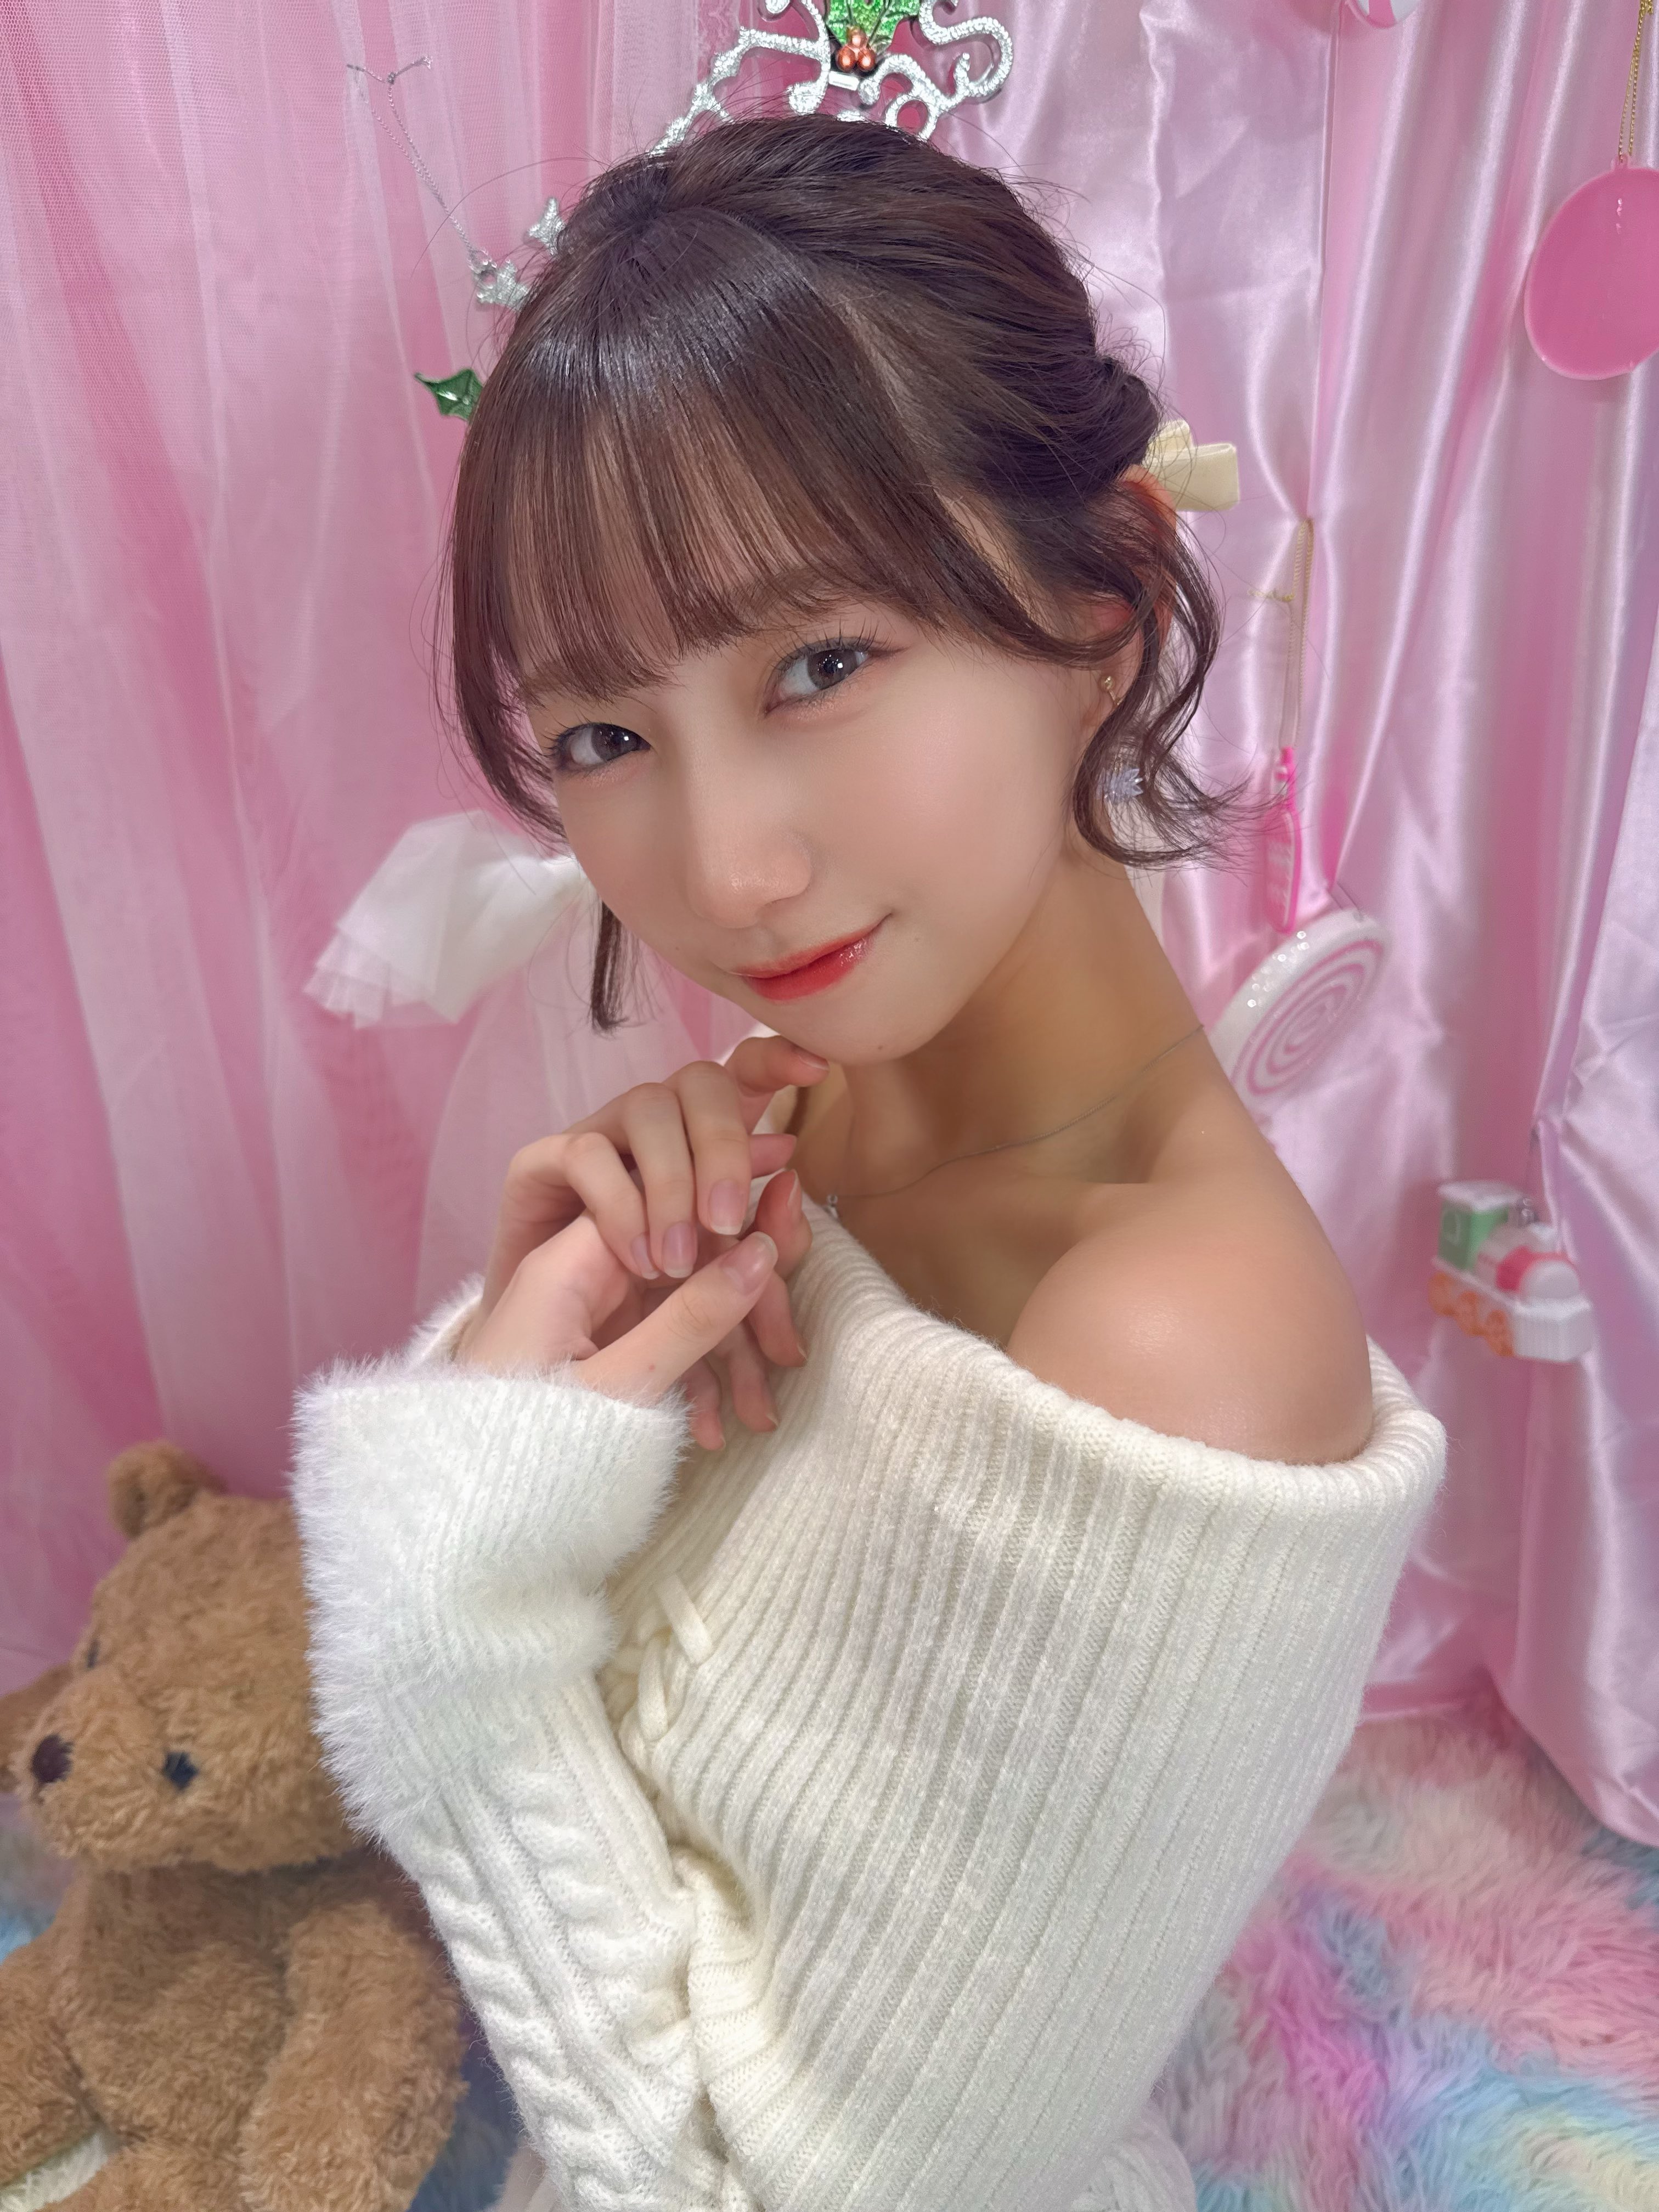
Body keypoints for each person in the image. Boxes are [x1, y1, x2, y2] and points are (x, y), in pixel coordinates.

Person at [291, 115, 1446, 2212]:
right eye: (605, 738)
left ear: (1103, 600)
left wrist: (443, 1604)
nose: (725, 868)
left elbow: (761, 2187)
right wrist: (532, 1395)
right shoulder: (790, 1120)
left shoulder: (1170, 1354)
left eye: (819, 666)